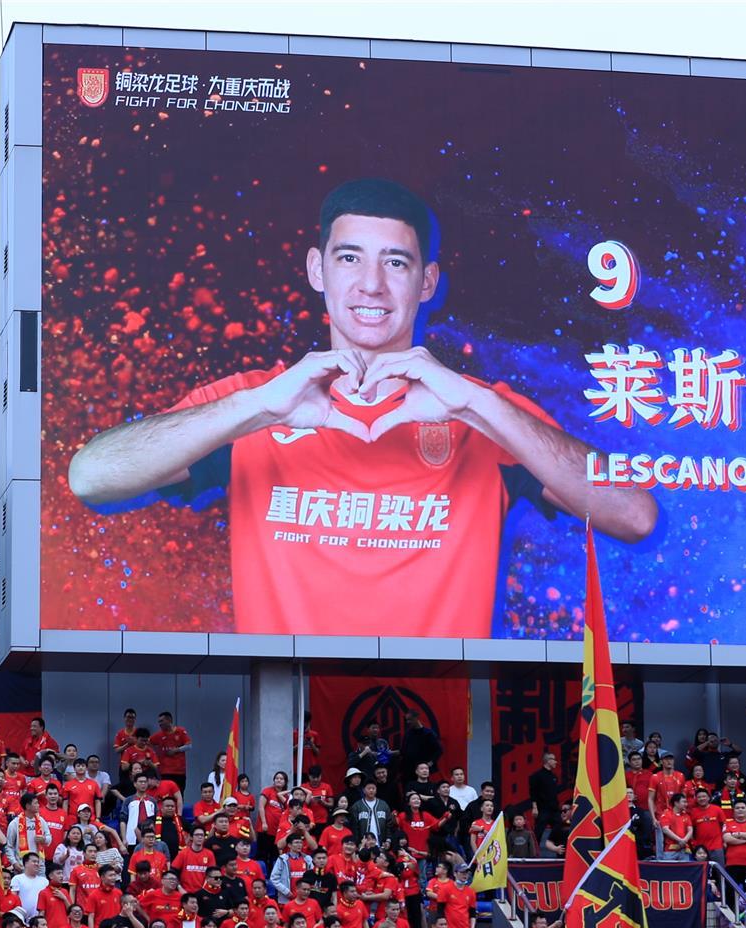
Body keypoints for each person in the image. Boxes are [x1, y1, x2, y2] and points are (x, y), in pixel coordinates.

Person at [65, 177, 657, 638]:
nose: (371, 284)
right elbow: (91, 476)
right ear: (316, 269)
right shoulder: (255, 399)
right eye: (349, 258)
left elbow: (634, 515)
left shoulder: (481, 410)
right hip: (288, 727)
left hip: (442, 731)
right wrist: (260, 409)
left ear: (428, 281)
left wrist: (477, 405)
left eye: (396, 262)